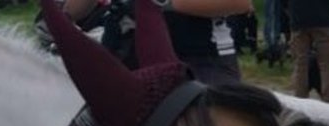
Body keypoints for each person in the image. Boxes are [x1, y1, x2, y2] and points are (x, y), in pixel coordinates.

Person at [39, 0, 253, 85]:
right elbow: (78, 6)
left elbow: (239, 2)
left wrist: (161, 2)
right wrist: (61, 18)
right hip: (124, 56)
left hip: (199, 60)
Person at [289, 0, 329, 103]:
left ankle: (300, 98)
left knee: (300, 63)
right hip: (322, 18)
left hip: (298, 17)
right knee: (326, 64)